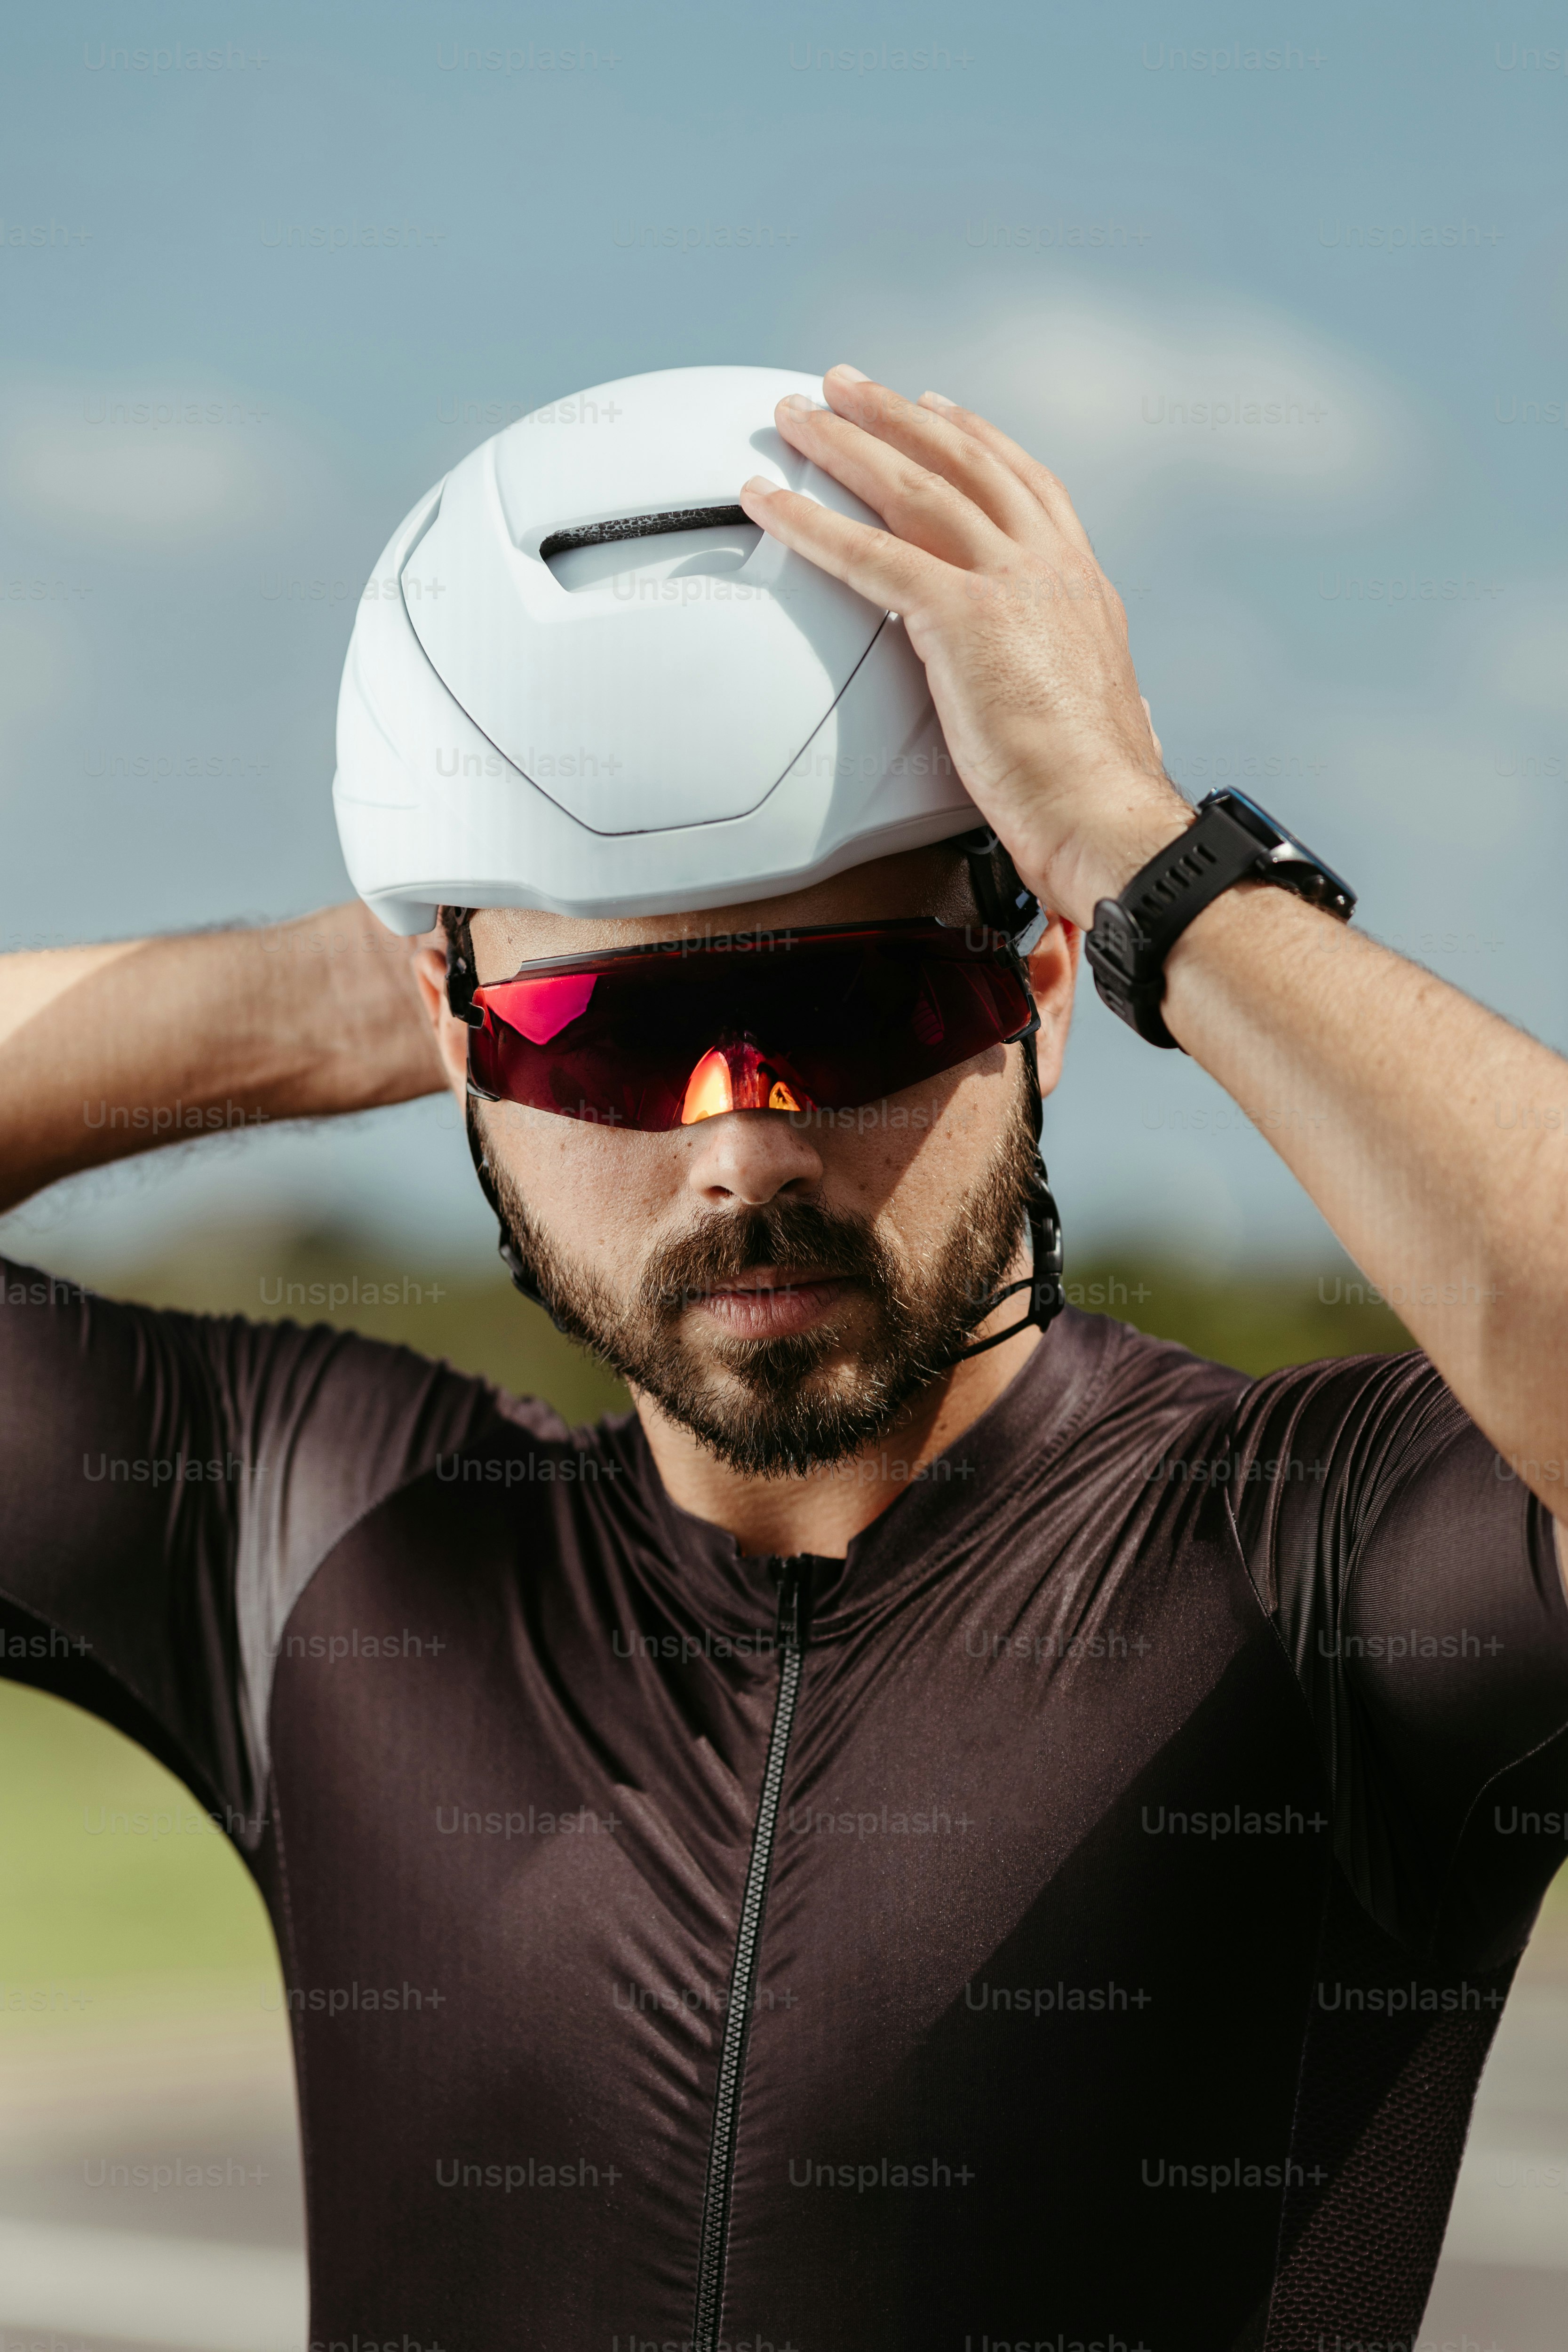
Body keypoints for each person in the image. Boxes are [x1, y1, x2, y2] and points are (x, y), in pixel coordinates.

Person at [2, 363, 1565, 2352]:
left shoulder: (1330, 1566)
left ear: (1047, 985)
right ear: (462, 1039)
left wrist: (1138, 843)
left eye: (856, 1001)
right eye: (608, 1037)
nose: (742, 1142)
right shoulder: (323, 1545)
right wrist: (353, 987)